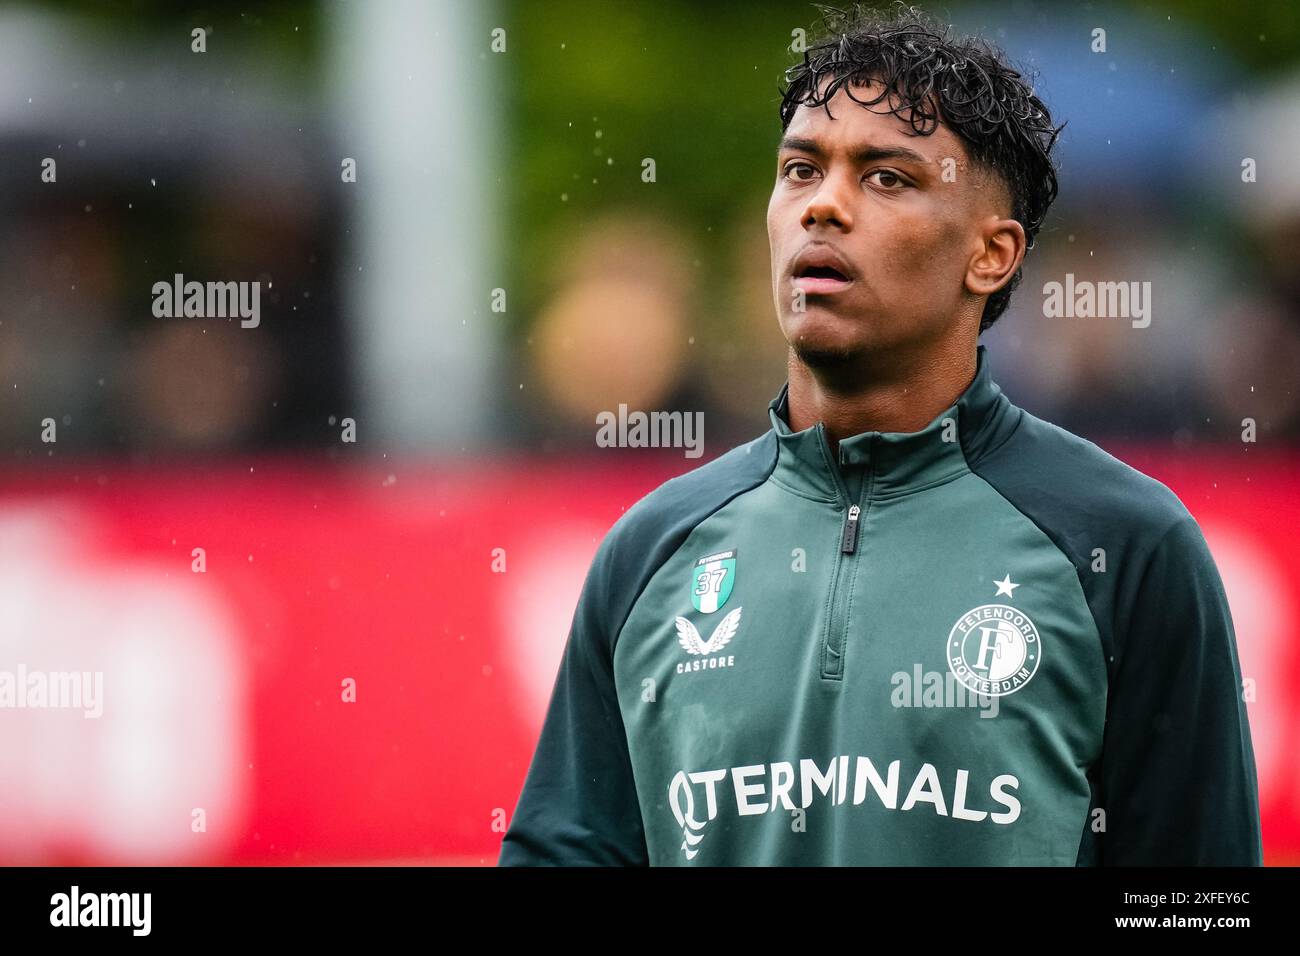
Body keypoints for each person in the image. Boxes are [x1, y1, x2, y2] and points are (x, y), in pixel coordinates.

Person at [498, 2, 1262, 866]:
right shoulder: (650, 555)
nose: (823, 205)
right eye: (799, 170)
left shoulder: (1123, 544)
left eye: (887, 177)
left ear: (992, 254)